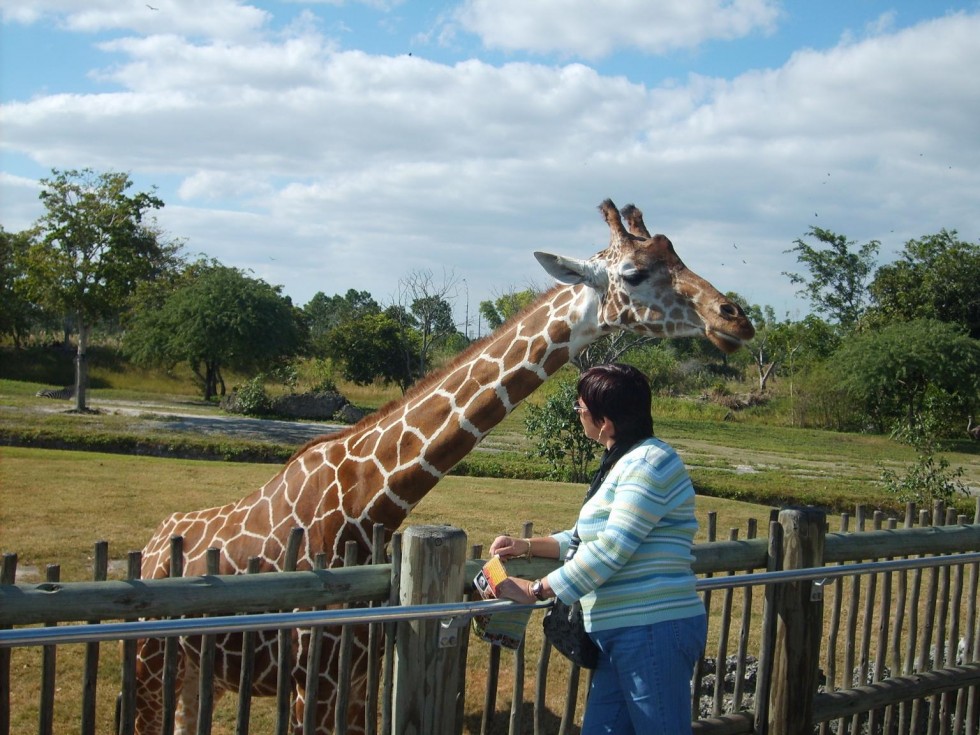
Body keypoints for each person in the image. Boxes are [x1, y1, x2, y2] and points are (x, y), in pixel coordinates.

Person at [490, 363, 706, 735]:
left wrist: (534, 590)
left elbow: (610, 549)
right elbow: (582, 538)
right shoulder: (624, 461)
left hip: (650, 630)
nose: (577, 415)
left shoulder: (649, 463)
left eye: (580, 409)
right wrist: (525, 546)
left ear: (604, 422)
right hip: (619, 634)